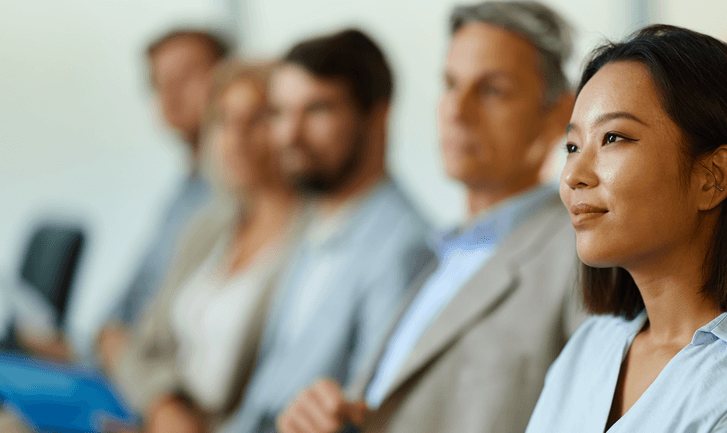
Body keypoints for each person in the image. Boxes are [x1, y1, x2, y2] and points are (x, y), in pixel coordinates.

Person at [277, 3, 582, 433]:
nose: (457, 109)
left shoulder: (582, 260)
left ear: (558, 115)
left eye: (492, 90)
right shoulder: (447, 252)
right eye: (450, 84)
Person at [525, 25, 727, 433]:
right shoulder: (589, 348)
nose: (573, 176)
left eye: (613, 137)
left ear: (712, 177)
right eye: (572, 146)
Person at [217, 29, 431, 433]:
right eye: (280, 112)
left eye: (317, 110)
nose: (290, 135)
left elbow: (367, 415)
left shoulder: (404, 248)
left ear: (377, 116)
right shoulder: (312, 226)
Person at [107, 61, 306, 433]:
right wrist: (163, 403)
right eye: (224, 120)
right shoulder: (207, 228)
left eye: (256, 119)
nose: (237, 136)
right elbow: (142, 346)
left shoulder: (312, 244)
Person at [18, 28, 232, 363]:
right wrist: (90, 344)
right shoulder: (182, 192)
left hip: (153, 377)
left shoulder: (235, 197)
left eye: (187, 78)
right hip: (118, 363)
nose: (171, 95)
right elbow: (134, 292)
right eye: (160, 84)